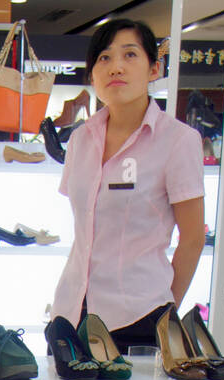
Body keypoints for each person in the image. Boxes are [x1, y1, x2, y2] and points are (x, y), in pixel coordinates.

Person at [50, 19, 205, 353]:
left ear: (153, 69)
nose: (115, 67)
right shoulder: (80, 139)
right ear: (92, 74)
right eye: (103, 58)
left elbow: (193, 238)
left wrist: (166, 311)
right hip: (70, 314)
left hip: (138, 318)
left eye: (130, 55)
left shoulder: (179, 141)